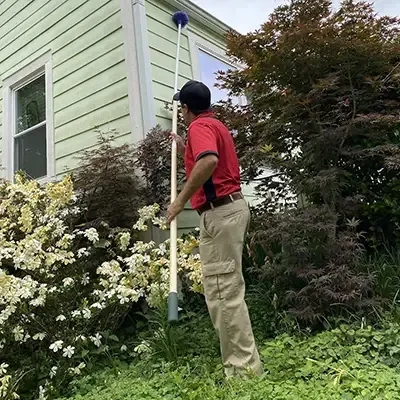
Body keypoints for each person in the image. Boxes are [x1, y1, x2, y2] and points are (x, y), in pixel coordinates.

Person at [167, 80, 263, 378]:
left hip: (221, 213)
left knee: (224, 292)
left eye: (181, 108)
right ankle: (242, 364)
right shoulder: (214, 125)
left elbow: (208, 160)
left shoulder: (199, 128)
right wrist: (185, 147)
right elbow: (205, 158)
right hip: (224, 211)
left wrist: (179, 201)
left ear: (185, 109)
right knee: (222, 289)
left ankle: (243, 373)